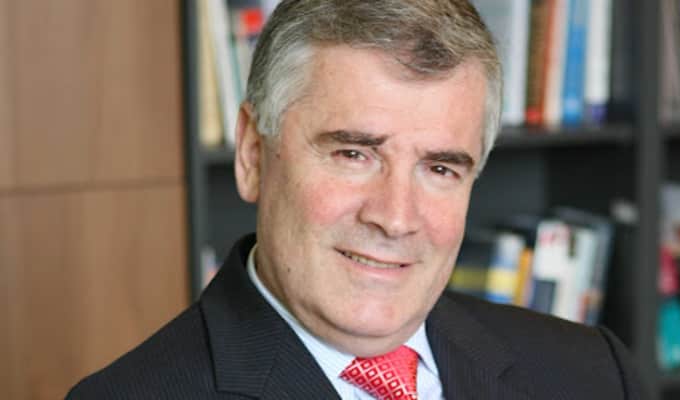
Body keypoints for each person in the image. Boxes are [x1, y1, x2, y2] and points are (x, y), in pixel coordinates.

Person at [68, 0, 645, 399]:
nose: (395, 217)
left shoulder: (594, 374)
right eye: (354, 154)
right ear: (252, 155)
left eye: (439, 168)